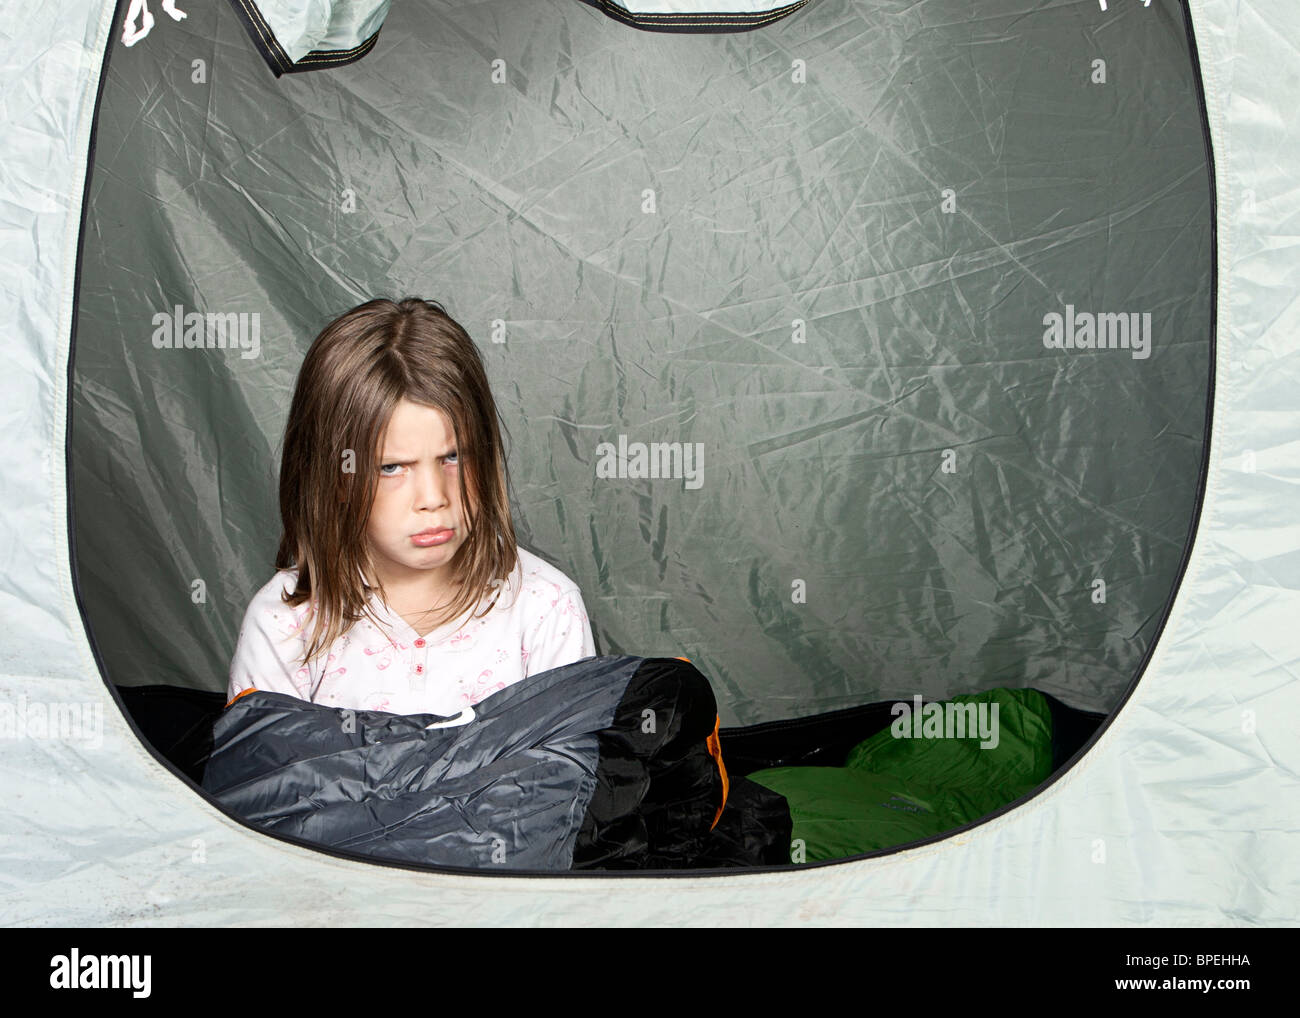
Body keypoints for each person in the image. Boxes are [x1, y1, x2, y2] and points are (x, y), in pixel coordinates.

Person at [225, 296, 596, 718]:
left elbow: (562, 776)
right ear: (335, 476)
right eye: (392, 467)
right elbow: (269, 778)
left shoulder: (547, 608)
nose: (434, 497)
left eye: (453, 457)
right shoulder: (284, 625)